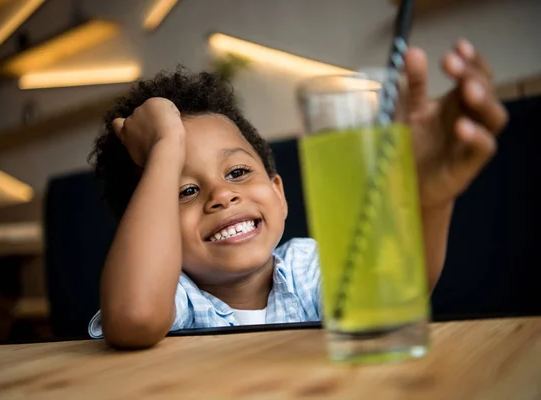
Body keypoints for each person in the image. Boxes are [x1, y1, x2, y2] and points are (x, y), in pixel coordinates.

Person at [87, 39, 508, 348]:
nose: (221, 196)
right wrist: (165, 145)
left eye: (237, 171)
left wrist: (428, 201)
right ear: (149, 223)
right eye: (185, 190)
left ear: (278, 191)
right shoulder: (176, 297)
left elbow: (396, 290)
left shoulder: (307, 269)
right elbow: (135, 317)